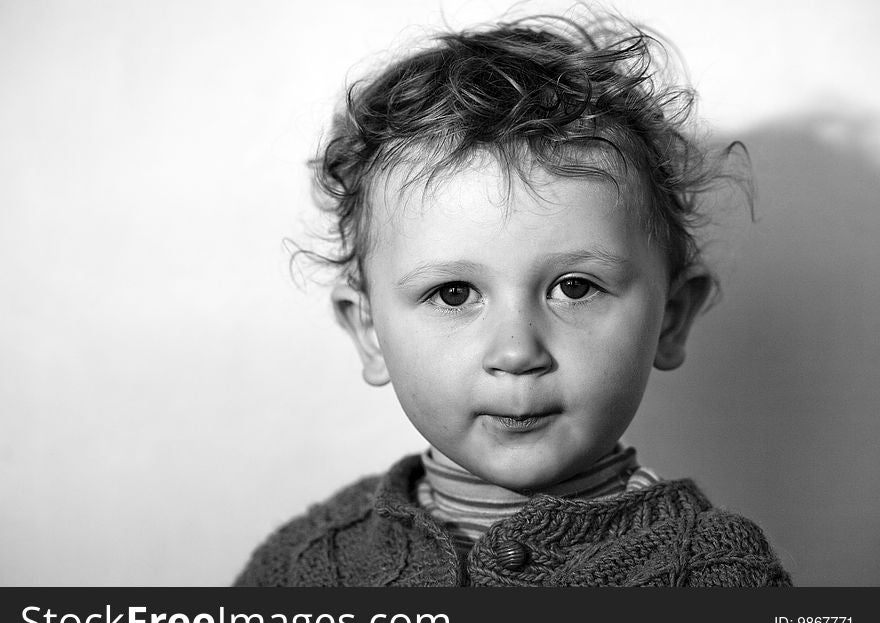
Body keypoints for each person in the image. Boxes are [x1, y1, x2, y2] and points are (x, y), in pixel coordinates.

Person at [234, 7, 792, 586]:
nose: (517, 351)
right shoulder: (304, 566)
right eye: (453, 293)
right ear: (369, 331)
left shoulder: (713, 577)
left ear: (671, 318)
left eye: (574, 288)